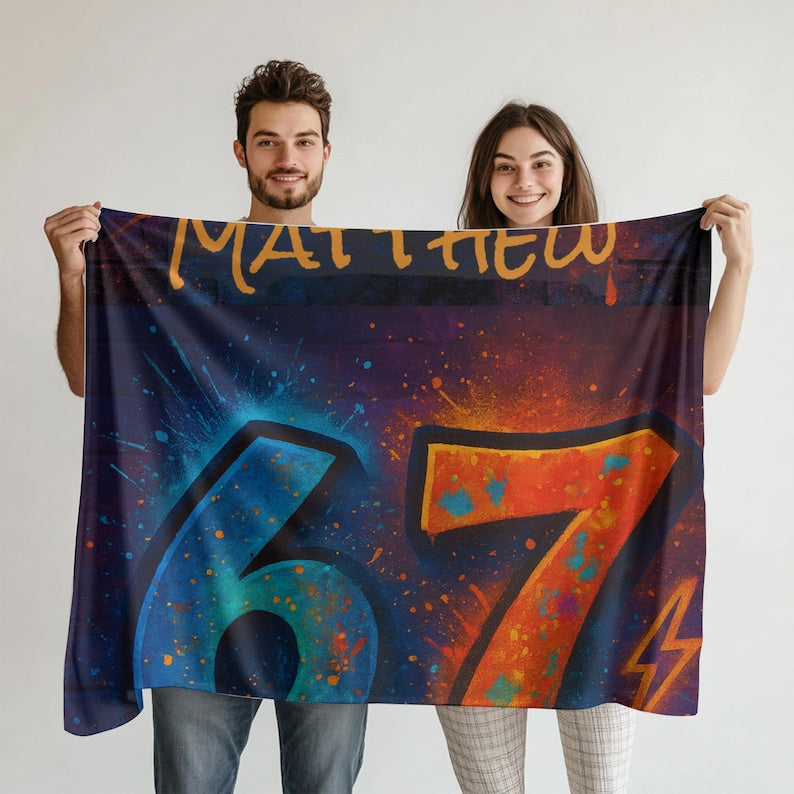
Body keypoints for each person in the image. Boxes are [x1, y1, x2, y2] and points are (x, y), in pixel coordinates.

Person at [44, 60, 368, 794]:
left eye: (304, 141)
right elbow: (87, 380)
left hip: (334, 579)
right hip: (198, 580)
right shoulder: (176, 270)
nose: (287, 157)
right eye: (269, 141)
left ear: (326, 152)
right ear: (240, 151)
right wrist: (72, 275)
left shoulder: (368, 278)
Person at [434, 102, 753, 794]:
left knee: (600, 787)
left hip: (597, 576)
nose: (524, 182)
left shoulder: (619, 280)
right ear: (484, 180)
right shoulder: (445, 283)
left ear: (566, 172)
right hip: (471, 580)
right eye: (505, 167)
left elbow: (704, 376)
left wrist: (739, 265)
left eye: (540, 163)